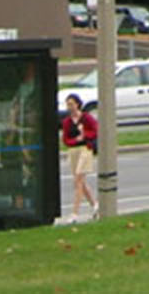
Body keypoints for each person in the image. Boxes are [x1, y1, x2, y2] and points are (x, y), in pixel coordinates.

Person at [59, 93, 99, 222]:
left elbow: (95, 130)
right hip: (74, 151)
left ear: (77, 104)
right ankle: (95, 205)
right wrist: (75, 140)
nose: (69, 107)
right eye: (68, 104)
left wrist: (85, 136)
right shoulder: (66, 122)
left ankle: (75, 213)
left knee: (78, 180)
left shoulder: (86, 118)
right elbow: (65, 139)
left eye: (71, 104)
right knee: (80, 181)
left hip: (85, 150)